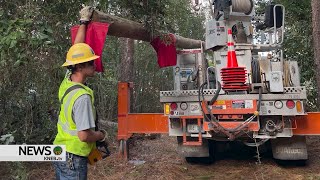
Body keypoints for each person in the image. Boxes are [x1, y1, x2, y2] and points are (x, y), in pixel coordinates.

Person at [52, 6, 106, 180]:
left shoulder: (67, 82)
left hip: (61, 153)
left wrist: (83, 22)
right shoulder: (82, 97)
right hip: (73, 158)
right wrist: (101, 135)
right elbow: (84, 136)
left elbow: (76, 49)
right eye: (90, 63)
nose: (94, 65)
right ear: (80, 67)